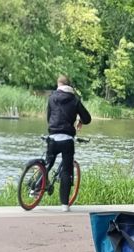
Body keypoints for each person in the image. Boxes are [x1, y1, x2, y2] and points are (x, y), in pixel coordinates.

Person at [45, 74, 91, 212]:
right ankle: (64, 205)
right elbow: (87, 118)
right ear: (69, 86)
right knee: (66, 170)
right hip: (67, 140)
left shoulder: (52, 98)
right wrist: (80, 120)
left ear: (59, 85)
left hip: (52, 137)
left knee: (48, 163)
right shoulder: (75, 100)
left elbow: (48, 117)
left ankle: (37, 185)